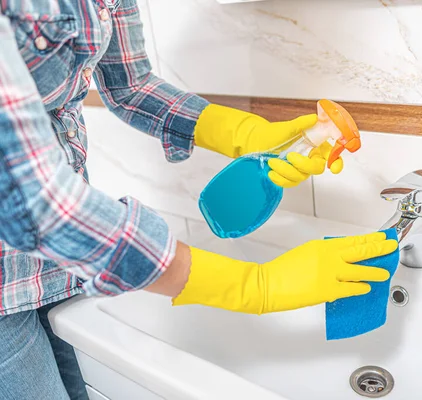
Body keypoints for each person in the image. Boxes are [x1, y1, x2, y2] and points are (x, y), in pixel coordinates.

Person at [0, 1, 398, 399]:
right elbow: (38, 203)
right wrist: (255, 286)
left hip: (57, 264)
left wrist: (242, 133)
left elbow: (129, 85)